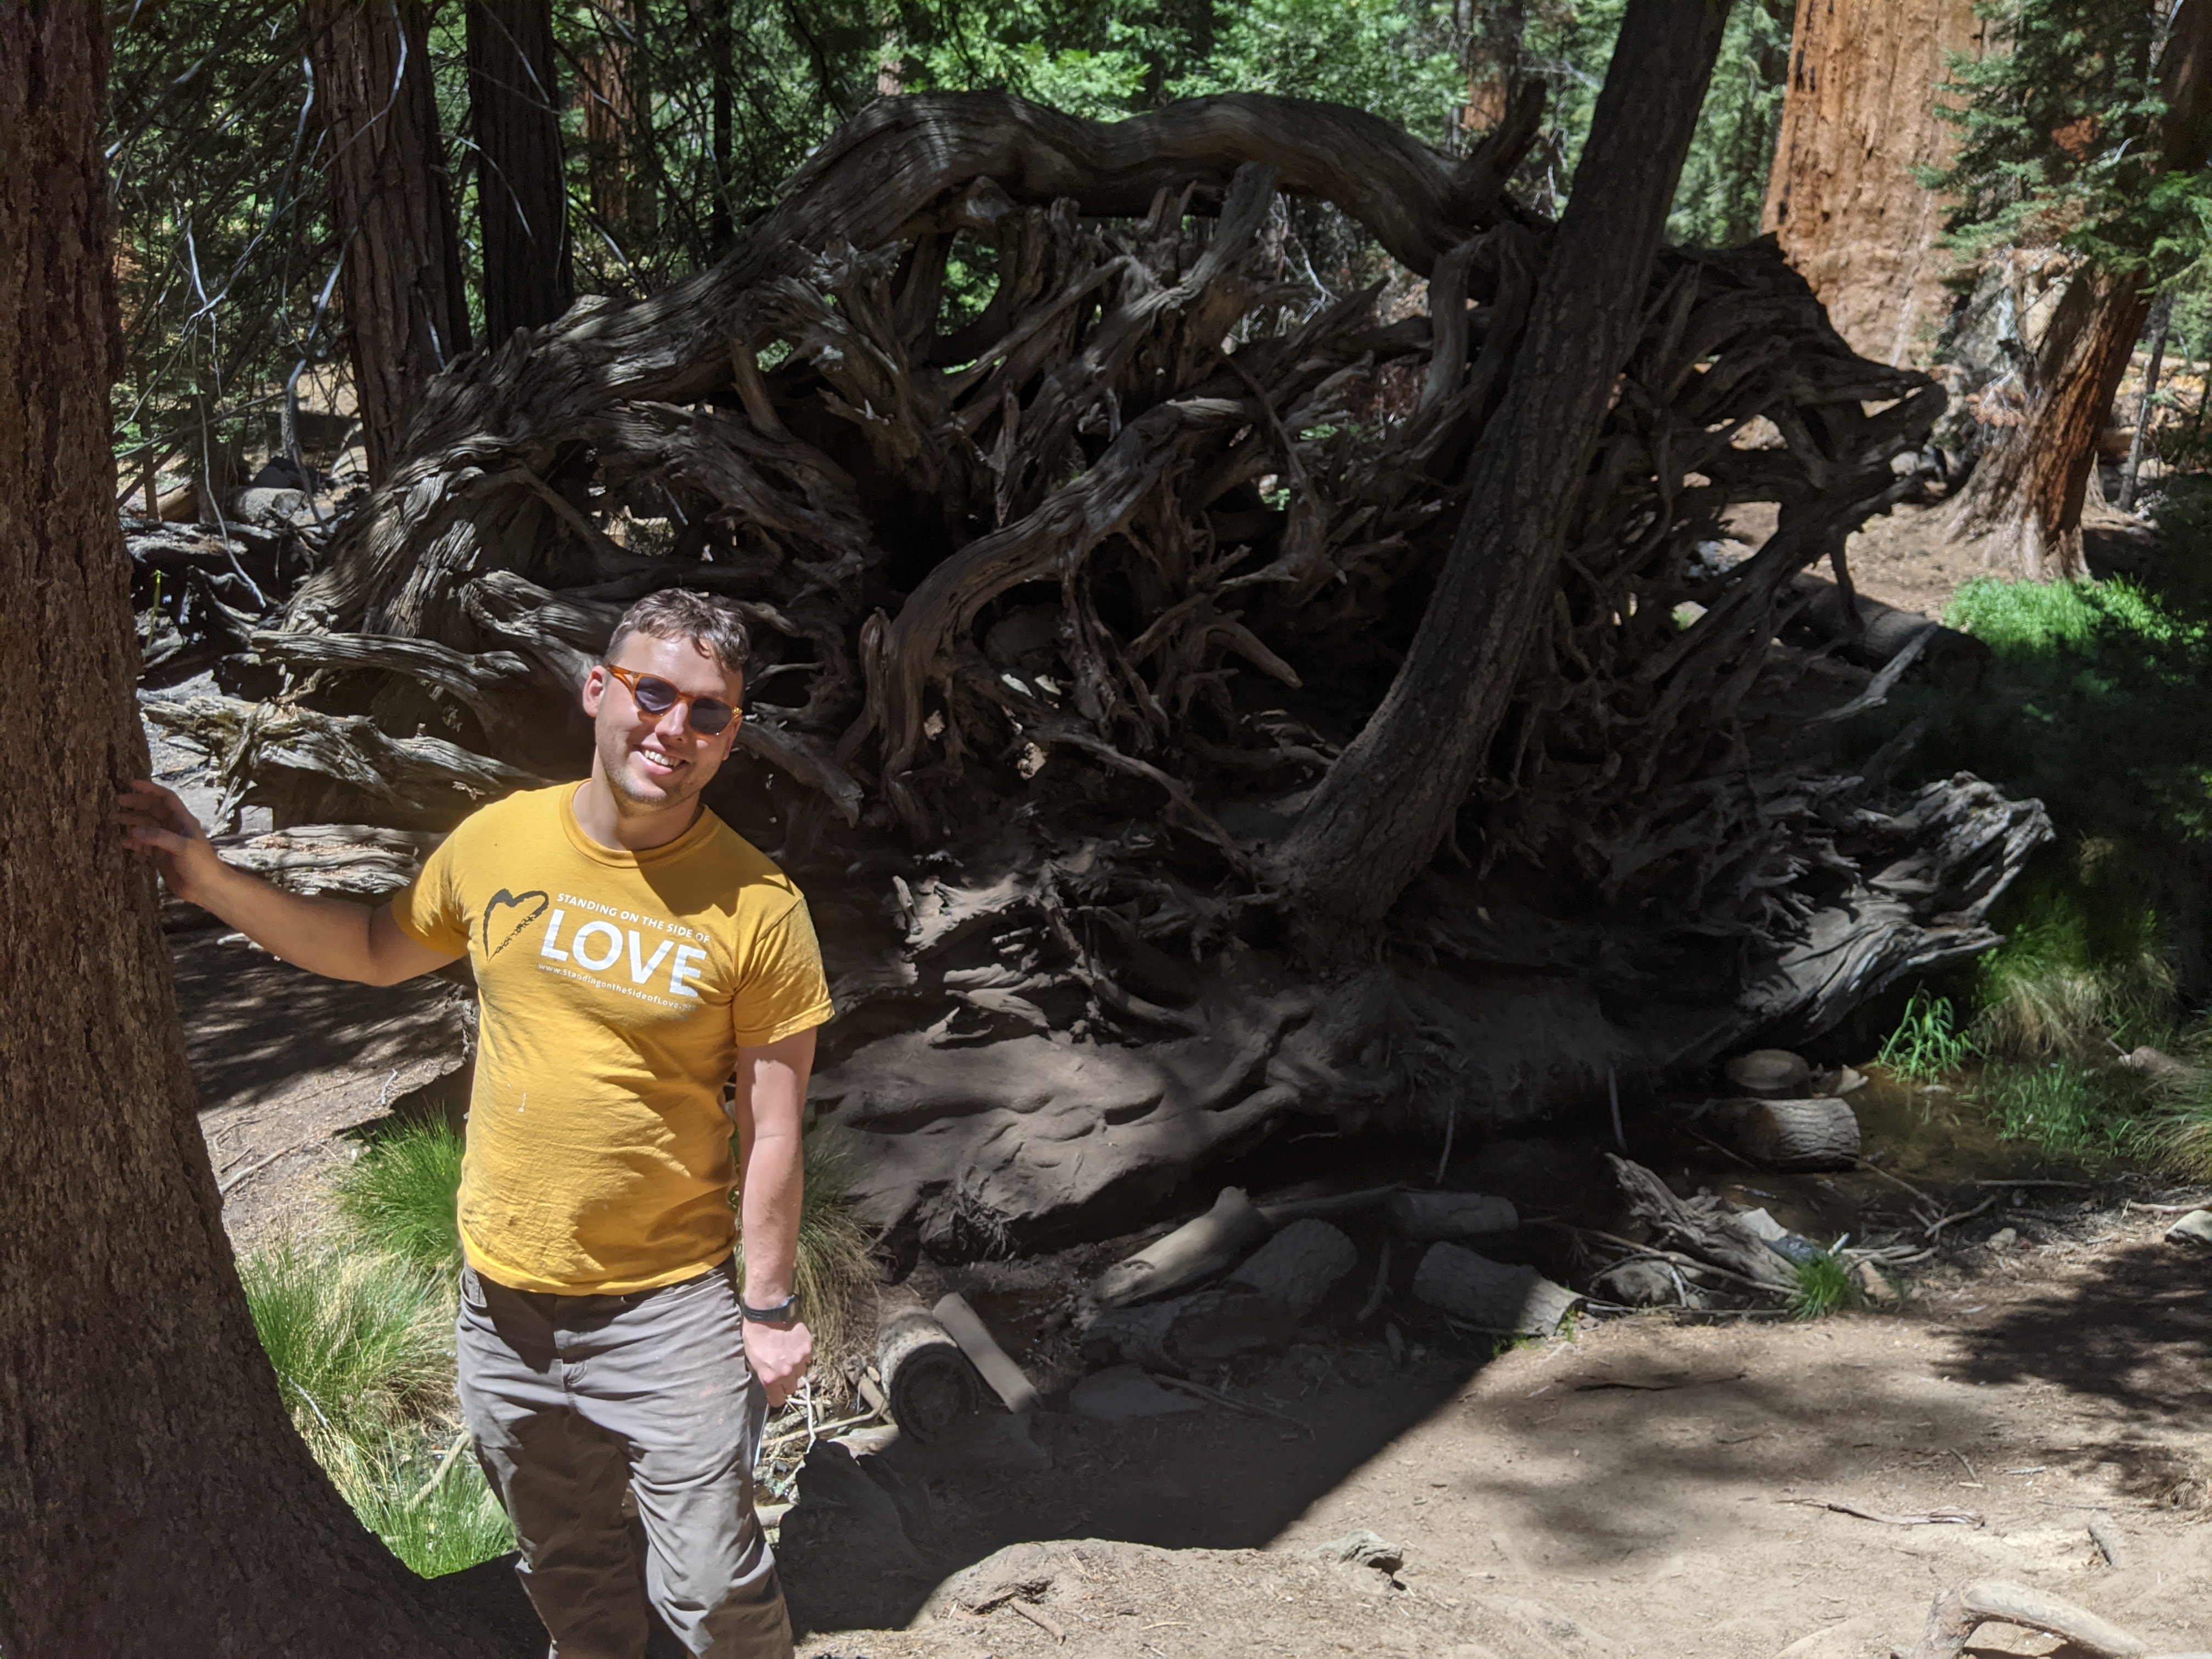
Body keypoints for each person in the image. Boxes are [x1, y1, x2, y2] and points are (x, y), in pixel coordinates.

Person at [120, 589, 832, 1659]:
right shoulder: (500, 841)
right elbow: (373, 948)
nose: (673, 729)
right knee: (566, 1569)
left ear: (730, 738)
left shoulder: (759, 906)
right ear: (599, 690)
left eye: (708, 712)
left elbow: (775, 1130)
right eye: (652, 693)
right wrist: (212, 881)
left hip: (668, 1309)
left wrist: (767, 1310)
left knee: (710, 1587)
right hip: (504, 1309)